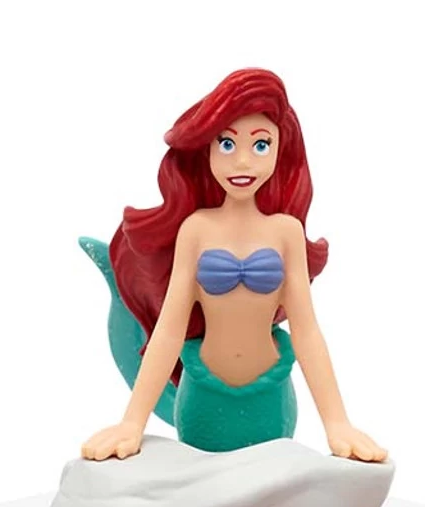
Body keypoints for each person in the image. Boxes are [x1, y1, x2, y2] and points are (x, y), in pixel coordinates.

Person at [80, 68, 386, 463]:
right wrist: (132, 423)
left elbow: (307, 331)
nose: (242, 161)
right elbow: (170, 330)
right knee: (200, 493)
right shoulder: (196, 230)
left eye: (260, 145)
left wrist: (337, 423)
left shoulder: (286, 233)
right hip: (203, 398)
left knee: (270, 491)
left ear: (280, 150)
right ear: (207, 149)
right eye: (226, 143)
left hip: (270, 398)